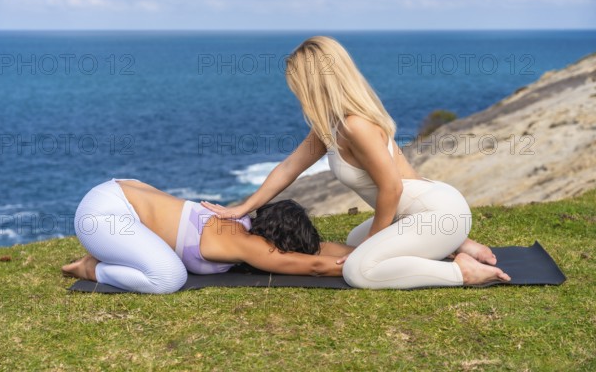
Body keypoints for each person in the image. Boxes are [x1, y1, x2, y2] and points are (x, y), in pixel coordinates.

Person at [202, 36, 511, 289]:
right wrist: (241, 208)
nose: (295, 90)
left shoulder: (356, 126)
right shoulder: (331, 125)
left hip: (440, 211)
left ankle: (463, 272)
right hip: (429, 213)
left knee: (359, 270)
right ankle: (457, 244)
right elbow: (288, 168)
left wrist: (372, 245)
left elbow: (391, 187)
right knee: (354, 240)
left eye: (297, 82)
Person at [62, 178, 352, 294]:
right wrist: (363, 264)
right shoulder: (246, 243)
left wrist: (364, 247)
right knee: (169, 278)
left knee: (166, 264)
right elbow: (314, 265)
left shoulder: (246, 224)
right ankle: (92, 268)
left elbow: (318, 250)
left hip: (119, 194)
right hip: (103, 215)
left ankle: (114, 251)